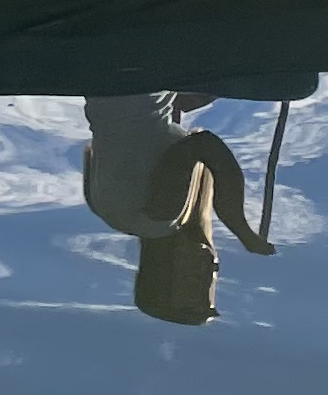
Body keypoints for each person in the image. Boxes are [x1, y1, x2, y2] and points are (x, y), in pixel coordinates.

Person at [79, 91, 275, 326]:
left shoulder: (160, 217)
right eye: (210, 280)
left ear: (163, 274)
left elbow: (205, 145)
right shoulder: (107, 212)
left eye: (195, 279)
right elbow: (135, 140)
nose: (210, 267)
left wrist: (242, 230)